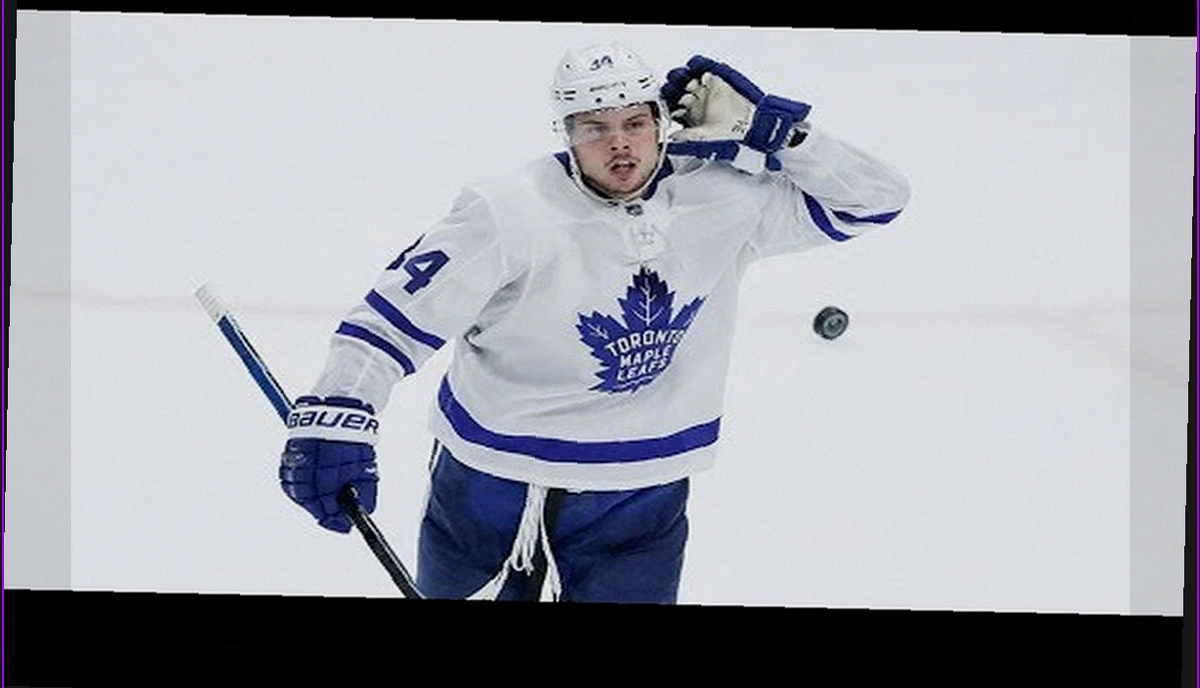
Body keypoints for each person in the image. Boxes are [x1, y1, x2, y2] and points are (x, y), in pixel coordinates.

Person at [278, 43, 910, 603]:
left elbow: (876, 200)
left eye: (636, 123)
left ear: (663, 123)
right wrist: (337, 413)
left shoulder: (722, 196)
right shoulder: (507, 208)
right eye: (594, 128)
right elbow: (394, 317)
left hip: (642, 489)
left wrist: (790, 139)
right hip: (492, 480)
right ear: (566, 134)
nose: (620, 144)